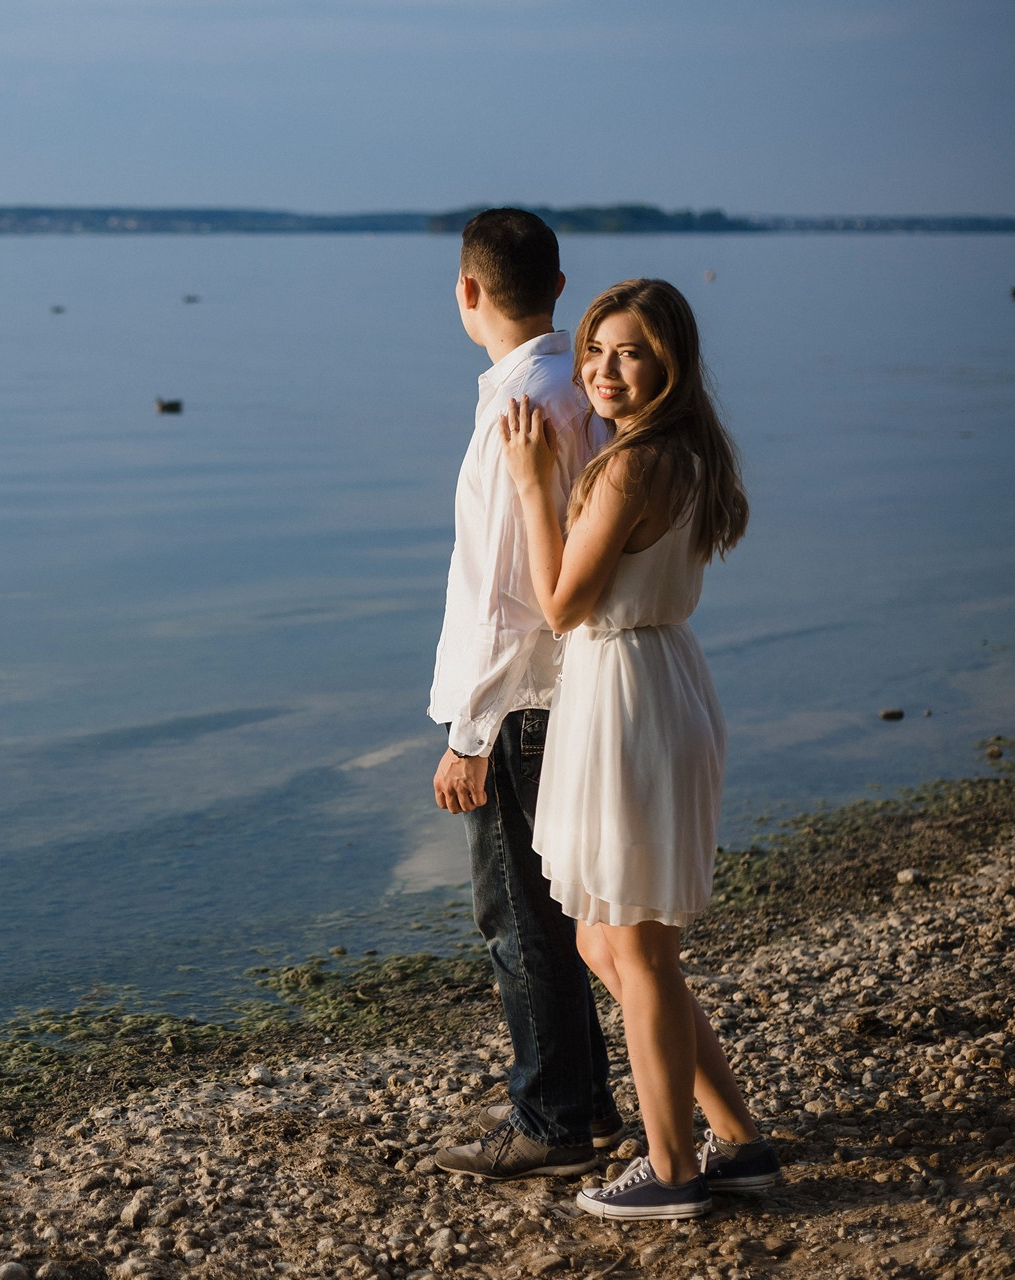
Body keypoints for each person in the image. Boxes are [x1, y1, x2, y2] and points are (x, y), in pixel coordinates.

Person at [498, 277, 780, 1220]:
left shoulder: (632, 467)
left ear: (668, 364)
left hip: (627, 694)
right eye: (596, 350)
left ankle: (671, 1170)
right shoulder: (686, 455)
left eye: (630, 353)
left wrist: (537, 486)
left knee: (640, 948)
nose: (604, 370)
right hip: (652, 681)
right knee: (604, 939)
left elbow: (562, 603)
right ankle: (737, 1141)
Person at [426, 209, 621, 1181]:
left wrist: (469, 732)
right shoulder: (574, 386)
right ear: (556, 282)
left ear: (469, 290)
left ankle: (552, 1123)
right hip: (572, 691)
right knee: (557, 917)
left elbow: (509, 597)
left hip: (522, 705)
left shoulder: (526, 400)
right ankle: (586, 1103)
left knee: (519, 920)